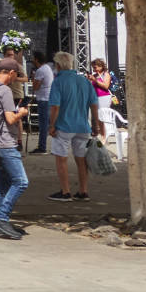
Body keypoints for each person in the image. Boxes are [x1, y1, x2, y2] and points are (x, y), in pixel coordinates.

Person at [44, 52, 98, 201]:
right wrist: (95, 124)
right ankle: (83, 191)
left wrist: (51, 125)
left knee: (61, 159)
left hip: (63, 126)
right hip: (82, 126)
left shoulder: (58, 82)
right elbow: (94, 104)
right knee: (81, 160)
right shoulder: (84, 81)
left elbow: (55, 106)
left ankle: (65, 191)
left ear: (58, 65)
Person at [0, 58, 29, 241]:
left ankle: (1, 221)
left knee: (4, 184)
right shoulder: (4, 91)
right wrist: (23, 112)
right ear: (10, 73)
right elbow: (11, 119)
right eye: (15, 75)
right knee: (21, 181)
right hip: (6, 141)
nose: (15, 79)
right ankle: (1, 218)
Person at [28, 53, 56, 153]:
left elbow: (36, 87)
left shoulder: (40, 70)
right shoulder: (47, 68)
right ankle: (54, 147)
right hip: (47, 98)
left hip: (43, 99)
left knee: (43, 124)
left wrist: (33, 78)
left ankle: (42, 147)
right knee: (49, 123)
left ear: (36, 59)